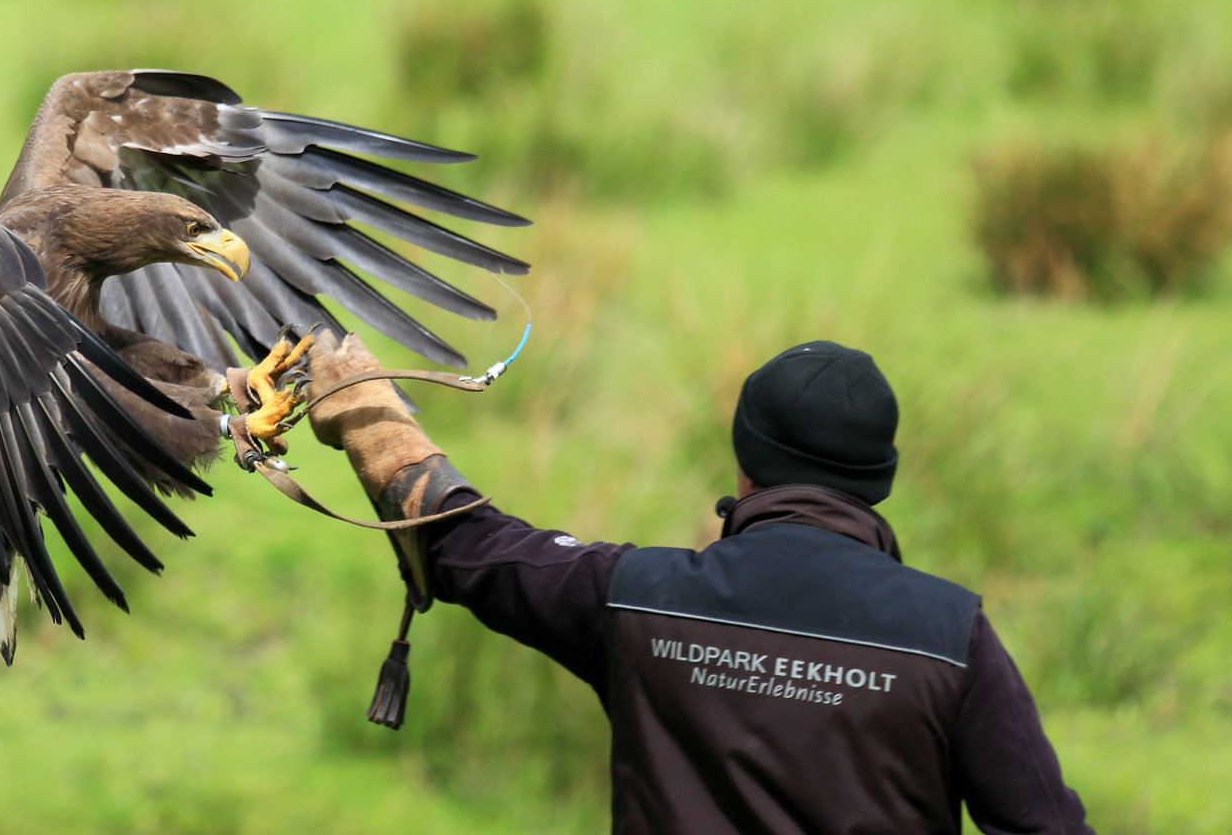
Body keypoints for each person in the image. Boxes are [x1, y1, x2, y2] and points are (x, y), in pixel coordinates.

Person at [306, 334, 1093, 835]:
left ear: (743, 460)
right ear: (878, 479)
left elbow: (469, 545)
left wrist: (371, 418)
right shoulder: (950, 636)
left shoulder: (635, 598)